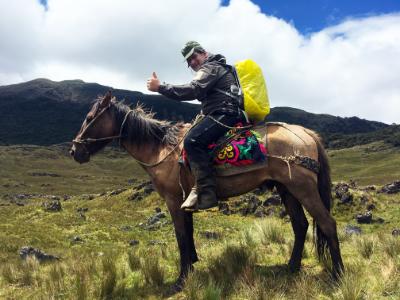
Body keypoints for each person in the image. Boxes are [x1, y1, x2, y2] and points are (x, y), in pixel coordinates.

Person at [147, 41, 245, 210]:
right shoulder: (216, 67)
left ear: (204, 53)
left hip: (225, 114)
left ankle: (206, 191)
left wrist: (160, 87)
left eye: (194, 57)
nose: (192, 62)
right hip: (224, 112)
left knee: (192, 141)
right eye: (188, 61)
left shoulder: (210, 68)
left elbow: (193, 89)